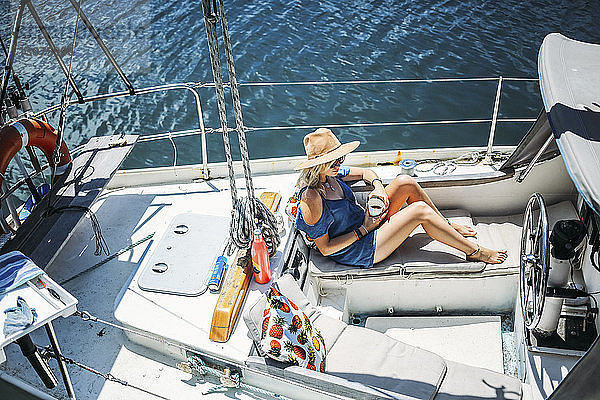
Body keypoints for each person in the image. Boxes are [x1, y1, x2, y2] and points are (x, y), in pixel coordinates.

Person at [294, 128, 507, 268]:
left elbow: (365, 173)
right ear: (317, 165)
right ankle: (475, 252)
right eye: (333, 161)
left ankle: (448, 226)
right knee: (419, 212)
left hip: (367, 224)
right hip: (357, 248)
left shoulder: (332, 174)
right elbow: (326, 248)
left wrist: (377, 186)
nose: (339, 163)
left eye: (340, 157)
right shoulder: (312, 197)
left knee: (405, 181)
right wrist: (365, 228)